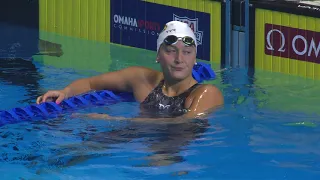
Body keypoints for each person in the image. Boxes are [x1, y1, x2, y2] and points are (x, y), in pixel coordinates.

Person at [36, 21, 224, 121]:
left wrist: (112, 119)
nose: (179, 59)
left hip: (175, 150)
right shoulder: (141, 79)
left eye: (187, 52)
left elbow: (182, 123)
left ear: (195, 57)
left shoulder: (206, 93)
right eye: (171, 51)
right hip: (133, 137)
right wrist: (65, 92)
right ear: (158, 55)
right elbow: (91, 83)